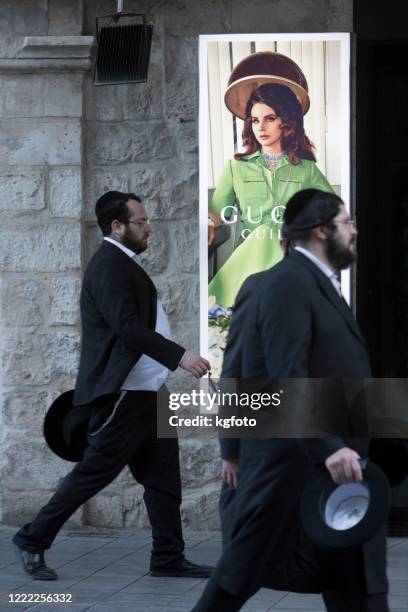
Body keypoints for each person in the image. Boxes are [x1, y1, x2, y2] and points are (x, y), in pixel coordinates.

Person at [194, 189, 389, 612]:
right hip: (294, 467)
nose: (354, 231)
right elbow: (284, 374)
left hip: (332, 465)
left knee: (359, 585)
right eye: (347, 222)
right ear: (322, 230)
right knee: (233, 581)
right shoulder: (286, 284)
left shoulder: (319, 284)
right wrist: (327, 446)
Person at [13, 191, 212, 581]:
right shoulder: (108, 267)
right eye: (141, 222)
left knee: (164, 479)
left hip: (149, 392)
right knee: (94, 473)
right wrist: (180, 356)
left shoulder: (124, 264)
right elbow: (128, 329)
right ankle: (32, 539)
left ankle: (168, 556)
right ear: (117, 226)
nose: (148, 227)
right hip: (125, 394)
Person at [208, 82, 333, 309]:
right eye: (255, 120)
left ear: (286, 122)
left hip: (293, 252)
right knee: (264, 234)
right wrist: (208, 222)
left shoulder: (307, 169)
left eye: (270, 118)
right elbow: (217, 211)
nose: (261, 127)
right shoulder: (236, 168)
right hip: (251, 255)